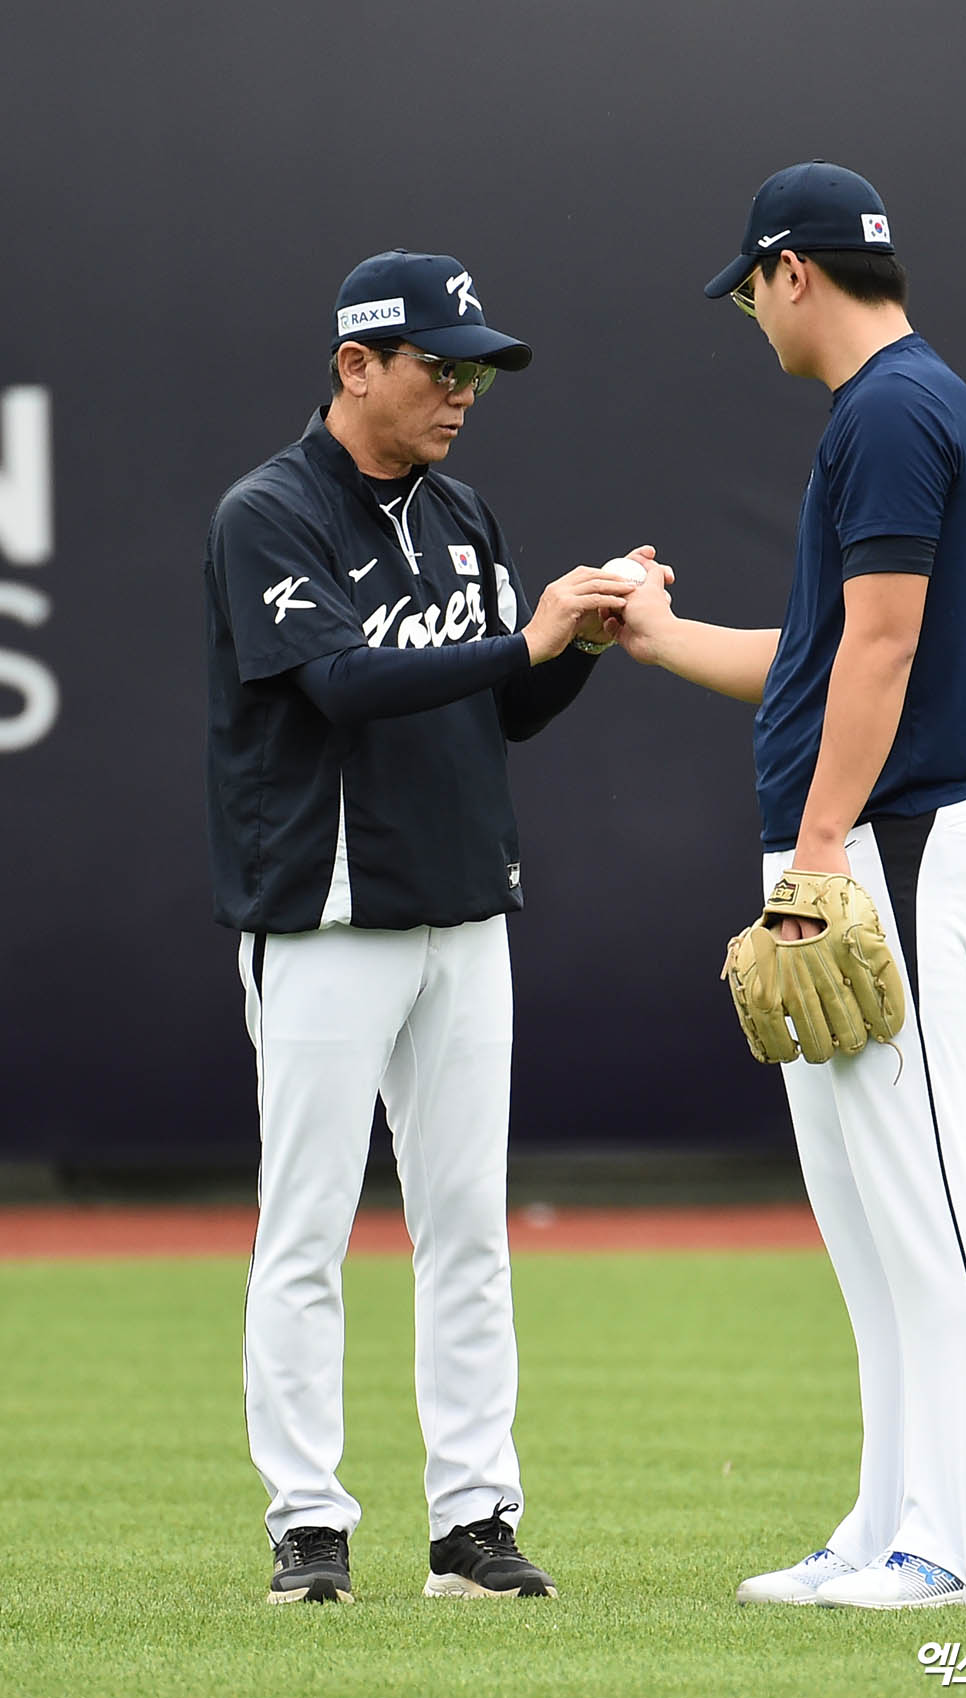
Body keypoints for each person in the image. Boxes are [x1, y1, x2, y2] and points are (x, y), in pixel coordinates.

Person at [204, 248, 643, 1604]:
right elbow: (337, 682)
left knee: (467, 1226)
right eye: (438, 366)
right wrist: (532, 638)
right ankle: (308, 1524)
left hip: (465, 908)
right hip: (328, 914)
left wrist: (577, 644)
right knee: (309, 1227)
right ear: (355, 366)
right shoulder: (269, 512)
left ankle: (471, 1521)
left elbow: (504, 710)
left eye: (477, 369)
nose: (464, 390)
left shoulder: (464, 514)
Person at [611, 163, 966, 1610]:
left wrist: (826, 846)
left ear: (795, 269)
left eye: (748, 287)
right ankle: (892, 1518)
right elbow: (811, 659)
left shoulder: (898, 407)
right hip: (853, 840)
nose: (750, 315)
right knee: (863, 1212)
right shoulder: (890, 411)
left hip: (890, 841)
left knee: (929, 1208)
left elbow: (886, 647)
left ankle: (965, 1545)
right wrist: (653, 636)